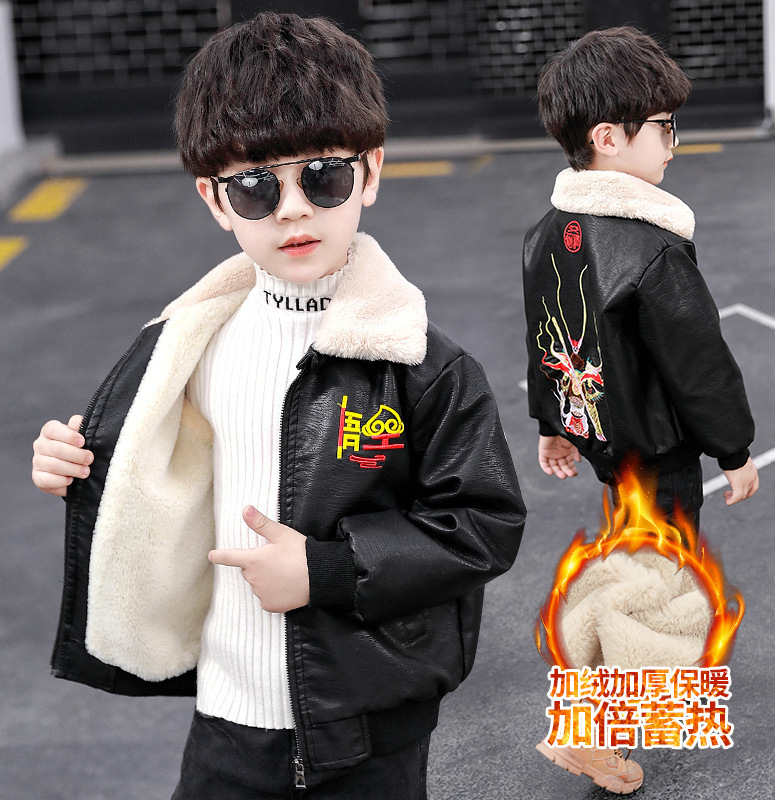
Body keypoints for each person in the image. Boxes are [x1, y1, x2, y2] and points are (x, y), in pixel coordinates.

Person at [31, 13, 526, 799]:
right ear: (215, 199)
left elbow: (484, 525)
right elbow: (149, 475)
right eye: (256, 187)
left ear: (370, 171)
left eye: (322, 177)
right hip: (224, 716)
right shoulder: (185, 346)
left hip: (367, 727)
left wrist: (327, 569)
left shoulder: (421, 367)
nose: (293, 208)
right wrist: (75, 465)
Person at [522, 27, 758, 794]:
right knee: (658, 593)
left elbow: (548, 337)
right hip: (659, 453)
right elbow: (699, 364)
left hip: (603, 441)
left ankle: (591, 720)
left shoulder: (545, 236)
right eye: (664, 127)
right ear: (608, 138)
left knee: (632, 567)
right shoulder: (653, 247)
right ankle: (597, 735)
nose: (672, 144)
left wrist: (556, 424)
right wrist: (734, 448)